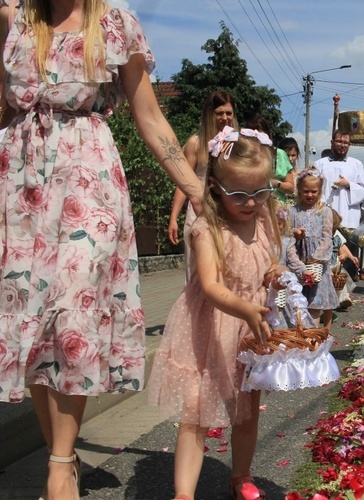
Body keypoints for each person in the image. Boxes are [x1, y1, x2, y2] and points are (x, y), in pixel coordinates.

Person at [0, 2, 205, 498]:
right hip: (18, 182)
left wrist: (197, 192)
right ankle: (62, 457)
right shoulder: (12, 19)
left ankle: (59, 462)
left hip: (87, 179)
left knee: (74, 314)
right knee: (29, 318)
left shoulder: (114, 22)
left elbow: (150, 116)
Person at [148, 127, 283, 500]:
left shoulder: (264, 221)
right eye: (239, 194)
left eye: (260, 192)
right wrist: (243, 307)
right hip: (210, 326)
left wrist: (278, 274)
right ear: (215, 187)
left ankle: (241, 476)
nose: (251, 202)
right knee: (196, 413)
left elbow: (268, 263)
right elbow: (210, 286)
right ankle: (184, 493)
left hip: (249, 329)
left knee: (247, 411)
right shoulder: (208, 228)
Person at [167, 90, 238, 279]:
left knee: (227, 269)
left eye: (228, 113)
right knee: (197, 269)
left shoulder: (237, 144)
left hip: (228, 211)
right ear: (209, 114)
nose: (225, 117)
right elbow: (183, 182)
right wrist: (174, 217)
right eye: (219, 113)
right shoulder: (195, 143)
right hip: (199, 210)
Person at [286, 168, 338, 324]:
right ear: (299, 191)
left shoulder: (324, 212)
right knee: (297, 303)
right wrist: (294, 232)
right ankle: (301, 336)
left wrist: (316, 259)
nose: (309, 195)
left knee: (315, 304)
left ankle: (313, 339)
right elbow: (287, 236)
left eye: (313, 191)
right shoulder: (293, 211)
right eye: (305, 191)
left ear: (320, 190)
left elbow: (327, 237)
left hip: (318, 267)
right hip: (298, 263)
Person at [314, 130, 364, 279]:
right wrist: (323, 206)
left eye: (345, 142)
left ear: (350, 144)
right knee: (328, 254)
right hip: (327, 215)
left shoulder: (356, 164)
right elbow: (315, 188)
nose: (342, 145)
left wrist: (348, 184)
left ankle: (348, 291)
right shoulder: (320, 164)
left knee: (349, 255)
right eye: (339, 141)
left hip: (349, 217)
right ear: (332, 142)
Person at [321, 210, 358, 329]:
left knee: (340, 280)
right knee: (328, 286)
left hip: (335, 264)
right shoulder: (319, 236)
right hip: (323, 265)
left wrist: (348, 256)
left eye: (333, 230)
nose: (331, 233)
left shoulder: (336, 235)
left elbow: (342, 247)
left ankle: (343, 299)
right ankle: (333, 303)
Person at [246, 115, 295, 203]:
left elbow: (291, 188)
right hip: (251, 203)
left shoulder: (279, 154)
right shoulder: (245, 154)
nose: (256, 137)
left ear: (267, 134)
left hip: (276, 206)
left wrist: (274, 183)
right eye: (252, 134)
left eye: (260, 133)